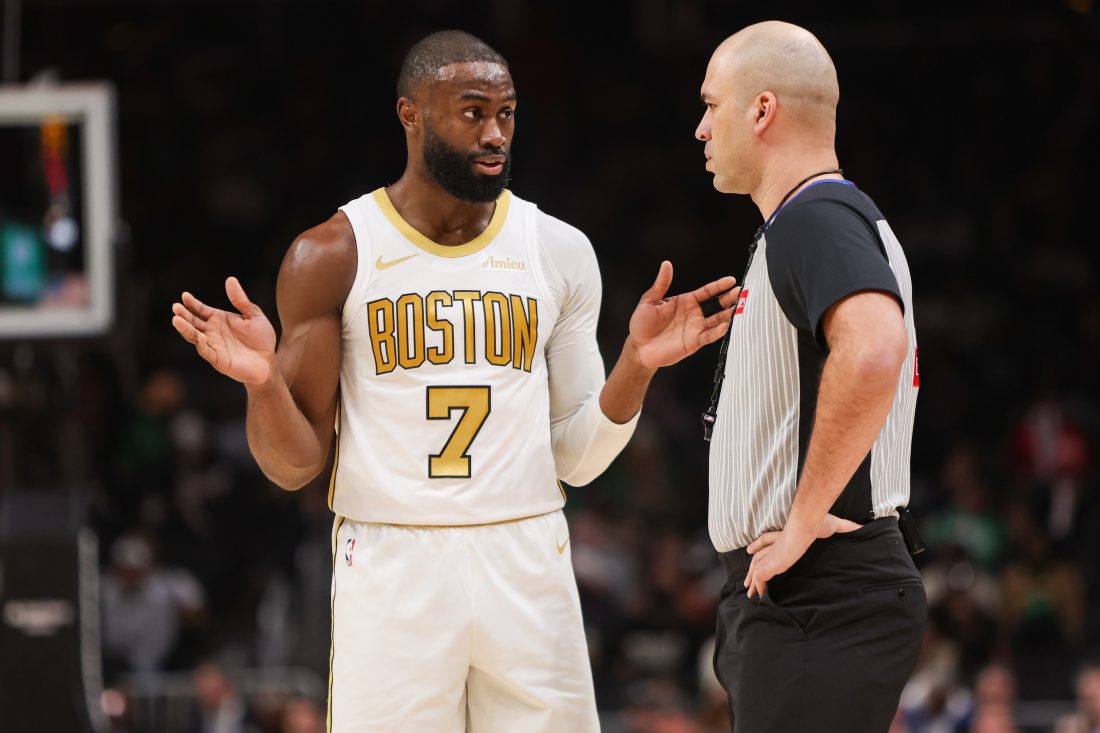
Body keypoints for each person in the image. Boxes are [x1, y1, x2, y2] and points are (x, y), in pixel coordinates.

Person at [172, 30, 737, 733]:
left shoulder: (558, 249)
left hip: (526, 546)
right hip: (393, 556)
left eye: (506, 113)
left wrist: (637, 366)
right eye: (473, 111)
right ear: (411, 114)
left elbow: (579, 459)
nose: (495, 132)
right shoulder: (332, 254)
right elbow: (294, 467)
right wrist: (261, 382)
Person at [695, 21, 926, 733]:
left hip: (818, 592)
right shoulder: (821, 220)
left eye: (711, 105)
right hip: (810, 598)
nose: (701, 129)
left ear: (761, 110)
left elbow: (874, 346)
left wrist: (798, 522)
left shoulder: (815, 215)